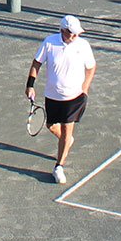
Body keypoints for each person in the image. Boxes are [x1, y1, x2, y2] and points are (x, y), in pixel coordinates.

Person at [26, 15, 96, 184]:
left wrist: (85, 87)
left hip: (74, 97)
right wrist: (30, 85)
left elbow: (91, 66)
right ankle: (66, 141)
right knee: (51, 125)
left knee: (67, 128)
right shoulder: (49, 42)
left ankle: (59, 166)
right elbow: (36, 63)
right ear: (62, 31)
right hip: (52, 96)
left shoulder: (83, 45)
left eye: (76, 34)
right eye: (71, 33)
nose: (74, 36)